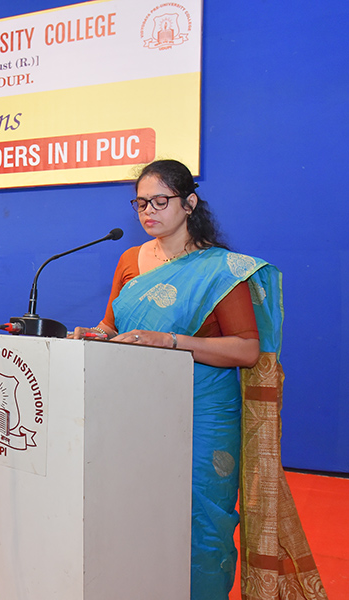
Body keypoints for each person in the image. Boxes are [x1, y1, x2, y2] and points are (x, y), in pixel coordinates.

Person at [71, 159, 326, 599]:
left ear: (189, 203)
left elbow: (247, 349)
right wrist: (93, 335)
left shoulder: (221, 270)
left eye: (160, 201)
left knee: (203, 523)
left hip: (205, 412)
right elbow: (112, 327)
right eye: (140, 203)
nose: (148, 211)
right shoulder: (130, 260)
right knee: (140, 512)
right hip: (137, 408)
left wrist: (170, 341)